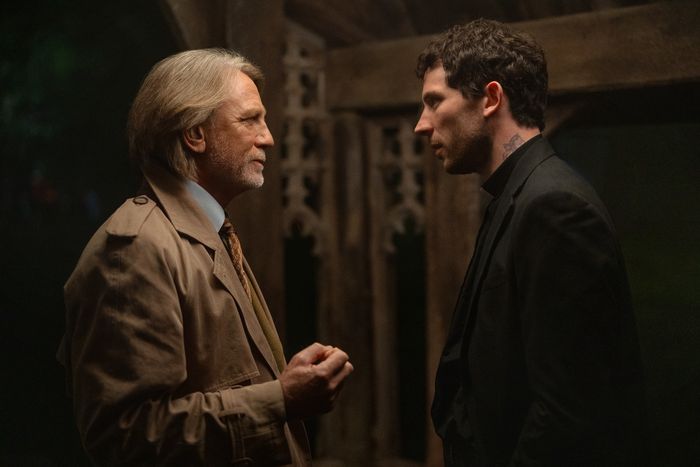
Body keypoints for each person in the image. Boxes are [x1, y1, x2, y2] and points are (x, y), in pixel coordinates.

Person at [58, 48, 353, 466]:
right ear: (195, 134)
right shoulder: (135, 250)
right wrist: (281, 399)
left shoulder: (207, 230)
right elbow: (127, 436)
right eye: (249, 120)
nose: (268, 137)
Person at [414, 20, 646, 466]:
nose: (421, 126)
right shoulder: (519, 195)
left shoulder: (554, 206)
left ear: (491, 99)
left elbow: (568, 411)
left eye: (434, 101)